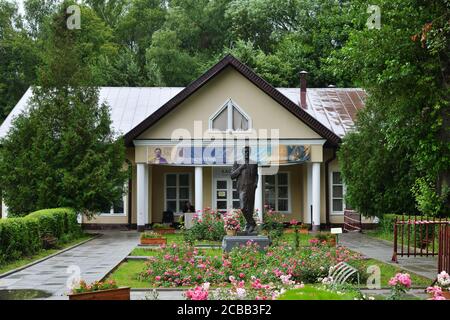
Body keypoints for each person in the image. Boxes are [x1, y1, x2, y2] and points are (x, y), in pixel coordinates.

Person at [230, 146, 258, 234]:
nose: (246, 153)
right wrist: (241, 167)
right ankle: (252, 223)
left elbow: (256, 175)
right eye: (245, 152)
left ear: (250, 152)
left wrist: (256, 184)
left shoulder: (254, 163)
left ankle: (249, 225)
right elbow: (232, 176)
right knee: (242, 207)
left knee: (250, 208)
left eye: (248, 152)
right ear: (242, 152)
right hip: (242, 188)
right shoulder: (237, 162)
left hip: (251, 188)